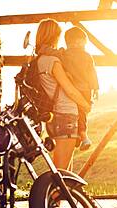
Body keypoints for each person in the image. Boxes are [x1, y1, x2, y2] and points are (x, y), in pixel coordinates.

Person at [35, 19, 92, 171]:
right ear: (54, 36)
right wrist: (85, 105)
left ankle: (62, 195)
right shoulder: (53, 61)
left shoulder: (39, 59)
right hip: (65, 115)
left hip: (55, 117)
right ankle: (53, 195)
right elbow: (70, 89)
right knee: (60, 174)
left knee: (65, 173)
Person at [39, 26, 99, 151]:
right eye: (84, 42)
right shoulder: (87, 56)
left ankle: (81, 136)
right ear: (79, 41)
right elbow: (93, 74)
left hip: (73, 89)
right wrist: (95, 89)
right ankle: (83, 136)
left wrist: (42, 49)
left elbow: (51, 52)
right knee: (82, 114)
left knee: (79, 113)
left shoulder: (64, 54)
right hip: (85, 89)